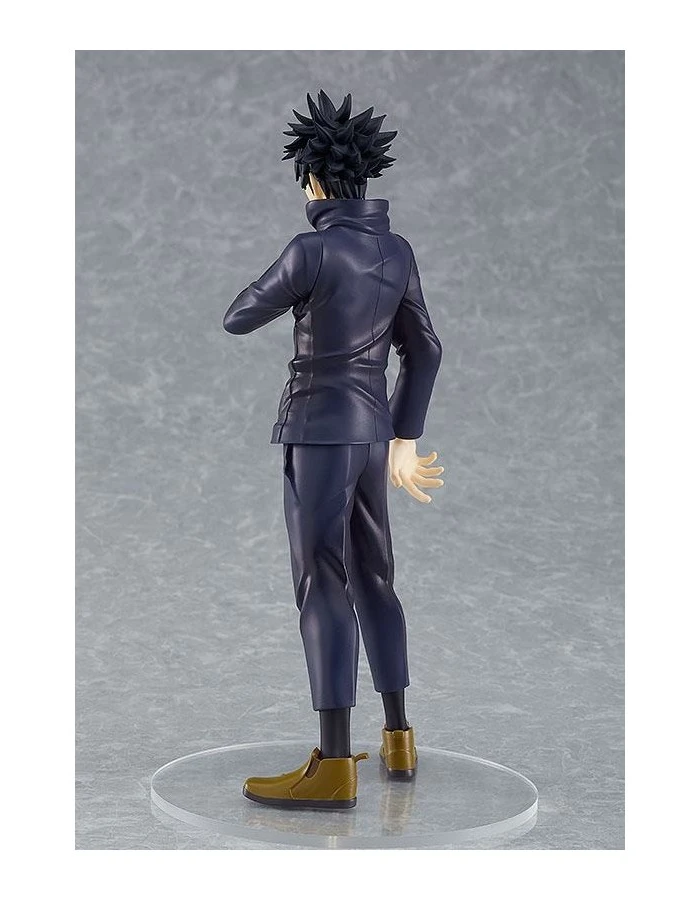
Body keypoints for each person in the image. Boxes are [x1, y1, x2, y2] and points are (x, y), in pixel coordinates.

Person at [223, 90, 443, 809]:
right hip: (373, 431)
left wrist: (293, 286)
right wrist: (404, 437)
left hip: (318, 429)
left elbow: (238, 316)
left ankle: (333, 764)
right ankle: (399, 739)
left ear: (314, 180)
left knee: (322, 578)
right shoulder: (395, 250)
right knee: (375, 576)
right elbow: (425, 349)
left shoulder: (311, 249)